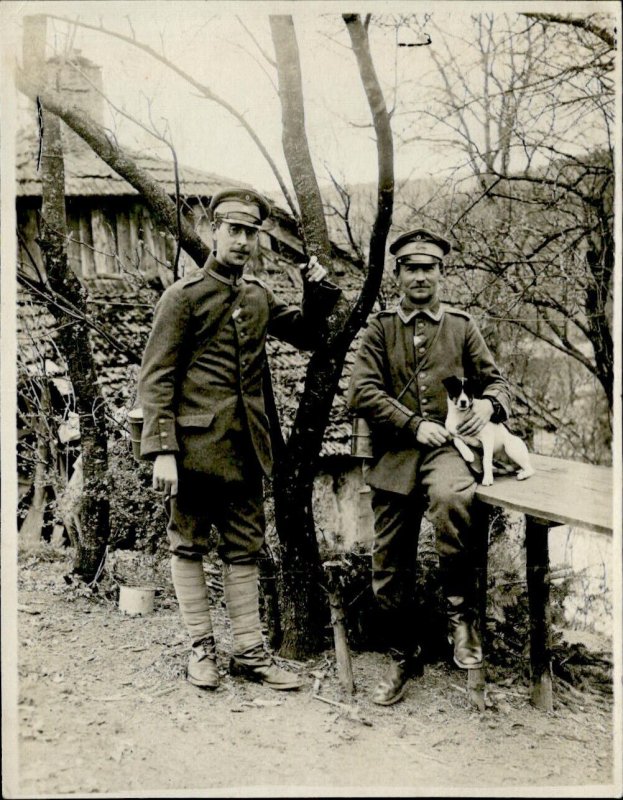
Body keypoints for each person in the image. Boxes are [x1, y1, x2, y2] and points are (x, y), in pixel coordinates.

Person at [138, 187, 339, 691]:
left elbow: (310, 335)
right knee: (187, 545)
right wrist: (162, 449)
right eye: (235, 230)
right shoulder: (182, 298)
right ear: (213, 231)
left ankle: (249, 652)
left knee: (243, 550)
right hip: (192, 452)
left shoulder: (257, 297)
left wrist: (315, 290)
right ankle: (201, 649)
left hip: (248, 450)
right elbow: (156, 377)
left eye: (252, 232)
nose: (244, 241)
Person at [347, 228, 511, 706]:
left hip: (451, 451)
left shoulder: (461, 326)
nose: (420, 277)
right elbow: (361, 390)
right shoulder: (380, 329)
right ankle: (402, 653)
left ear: (442, 274)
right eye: (411, 268)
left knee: (453, 499)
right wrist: (413, 424)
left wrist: (488, 407)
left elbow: (497, 383)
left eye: (429, 268)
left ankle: (461, 621)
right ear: (397, 275)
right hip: (396, 452)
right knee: (387, 559)